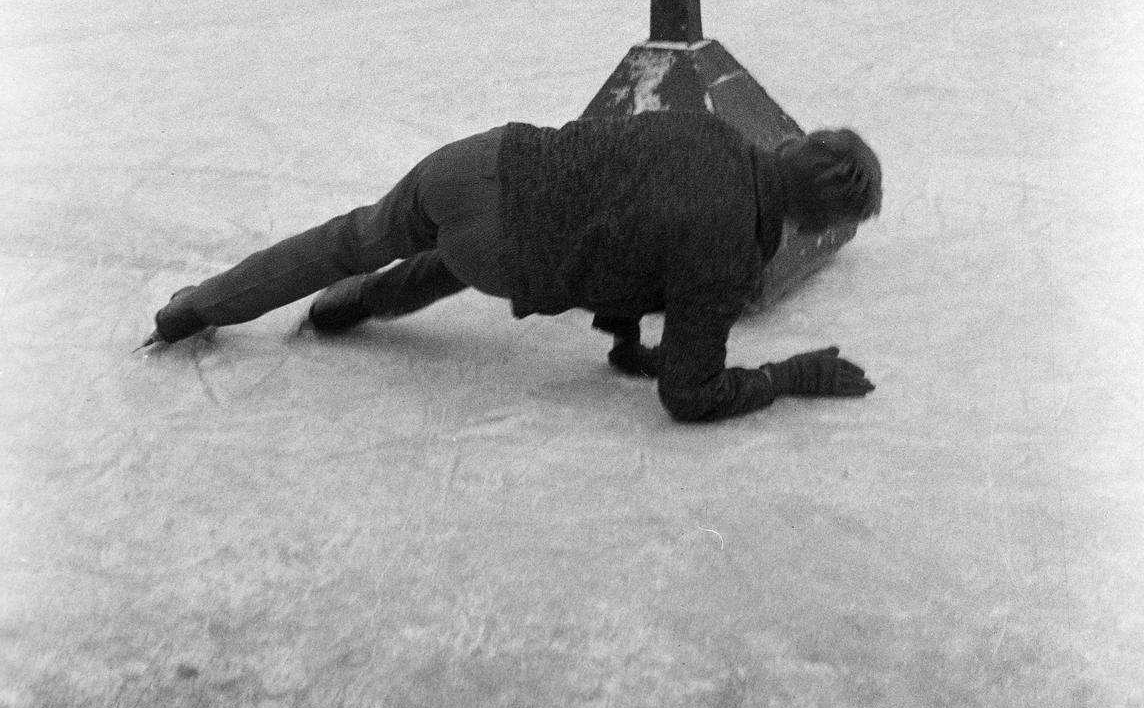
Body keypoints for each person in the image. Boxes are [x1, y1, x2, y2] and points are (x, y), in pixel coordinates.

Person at [138, 111, 883, 425]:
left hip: (482, 160)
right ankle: (364, 299)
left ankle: (194, 309)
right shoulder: (731, 258)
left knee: (353, 235)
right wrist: (791, 376)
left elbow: (621, 197)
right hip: (500, 249)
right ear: (814, 224)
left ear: (792, 146)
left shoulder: (709, 129)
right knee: (487, 252)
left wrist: (627, 339)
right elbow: (689, 395)